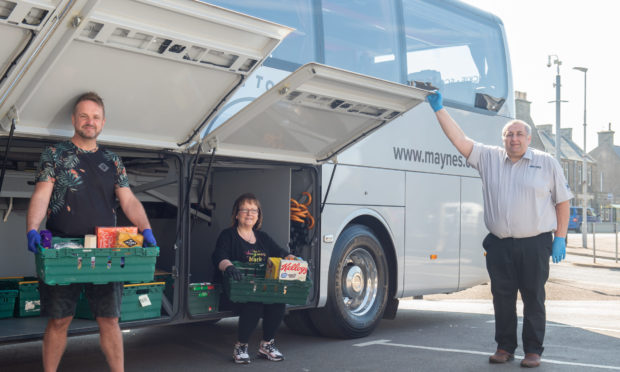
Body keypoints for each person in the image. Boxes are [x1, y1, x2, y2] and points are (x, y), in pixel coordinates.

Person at [427, 91, 572, 368]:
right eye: (509, 134)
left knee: (533, 298)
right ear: (503, 139)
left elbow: (562, 202)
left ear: (528, 139)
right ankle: (504, 347)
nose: (514, 139)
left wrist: (560, 238)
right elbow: (460, 140)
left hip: (534, 244)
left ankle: (533, 351)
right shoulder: (489, 158)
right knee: (502, 299)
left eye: (519, 134)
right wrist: (439, 109)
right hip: (500, 244)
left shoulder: (546, 163)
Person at [26, 92, 157, 372]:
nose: (90, 122)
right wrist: (32, 229)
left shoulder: (113, 160)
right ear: (74, 119)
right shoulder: (54, 155)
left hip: (105, 250)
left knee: (109, 319)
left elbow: (129, 199)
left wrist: (146, 229)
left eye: (95, 117)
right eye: (84, 116)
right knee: (60, 319)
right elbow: (42, 194)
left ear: (103, 122)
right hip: (63, 249)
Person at [212, 193, 296, 364]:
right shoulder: (228, 235)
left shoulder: (262, 238)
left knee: (278, 300)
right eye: (245, 210)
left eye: (254, 210)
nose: (249, 214)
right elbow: (219, 255)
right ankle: (241, 346)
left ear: (258, 215)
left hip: (258, 287)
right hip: (235, 290)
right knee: (255, 302)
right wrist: (228, 266)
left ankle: (267, 345)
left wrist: (291, 258)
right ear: (236, 214)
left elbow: (280, 252)